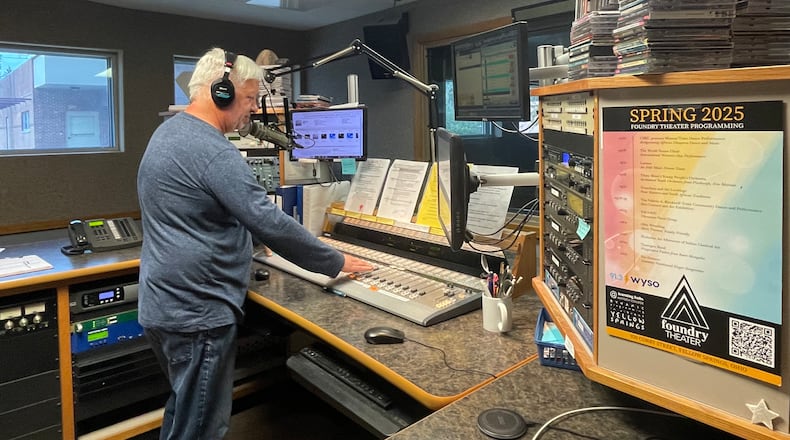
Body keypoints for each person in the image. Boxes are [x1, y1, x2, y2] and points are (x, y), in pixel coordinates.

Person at [136, 47, 373, 440]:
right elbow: (267, 219)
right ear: (222, 92)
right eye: (248, 98)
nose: (252, 110)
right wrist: (335, 261)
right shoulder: (212, 150)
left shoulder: (168, 133)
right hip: (197, 312)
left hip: (164, 303)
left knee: (185, 408)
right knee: (202, 427)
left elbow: (197, 213)